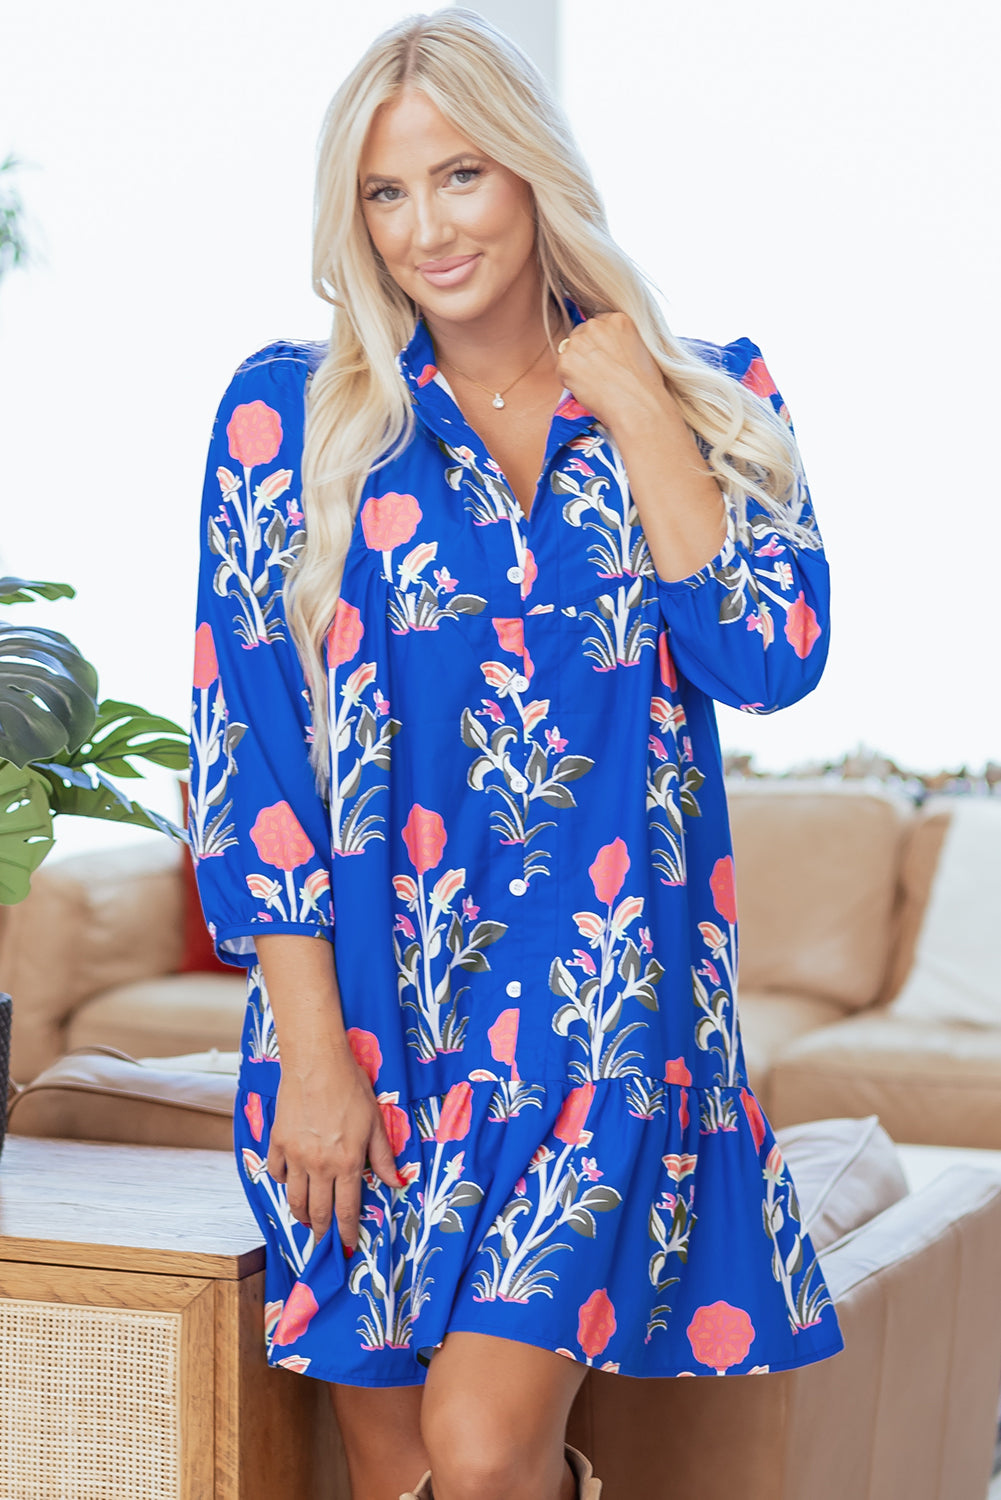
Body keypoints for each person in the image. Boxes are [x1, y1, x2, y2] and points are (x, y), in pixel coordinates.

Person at [189, 9, 843, 1498]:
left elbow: (768, 658)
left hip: (600, 1022)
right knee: (401, 1469)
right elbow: (251, 755)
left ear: (535, 172)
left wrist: (642, 414)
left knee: (479, 1454)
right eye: (384, 192)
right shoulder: (288, 416)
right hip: (367, 1026)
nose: (427, 226)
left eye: (462, 175)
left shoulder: (706, 387)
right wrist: (309, 1059)